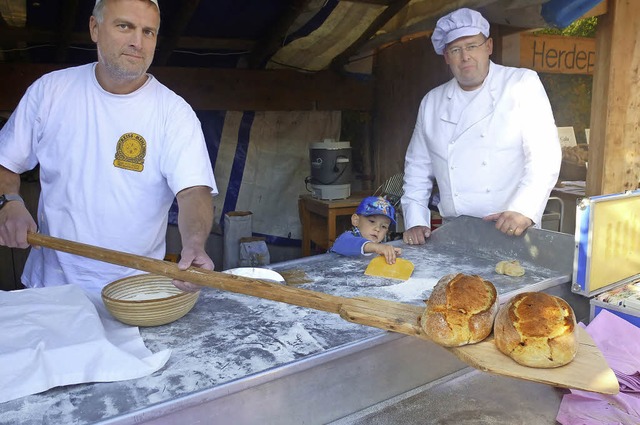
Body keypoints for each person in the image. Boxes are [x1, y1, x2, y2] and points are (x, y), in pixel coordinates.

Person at [0, 0, 217, 293]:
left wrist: (194, 245)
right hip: (50, 286)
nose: (137, 42)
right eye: (125, 26)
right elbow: (6, 163)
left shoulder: (174, 113)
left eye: (148, 32)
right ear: (94, 28)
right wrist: (9, 201)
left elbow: (194, 191)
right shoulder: (50, 91)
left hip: (135, 291)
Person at [401, 7, 561, 246]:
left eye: (472, 46)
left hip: (510, 230)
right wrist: (415, 220)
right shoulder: (432, 102)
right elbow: (416, 169)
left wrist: (524, 209)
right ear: (446, 57)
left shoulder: (521, 84)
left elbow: (544, 155)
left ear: (489, 47)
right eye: (456, 50)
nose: (465, 57)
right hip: (454, 232)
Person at [330, 196, 402, 264]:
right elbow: (348, 244)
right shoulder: (346, 238)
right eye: (372, 221)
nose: (377, 229)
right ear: (356, 220)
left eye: (383, 226)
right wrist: (377, 248)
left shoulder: (379, 247)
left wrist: (390, 254)